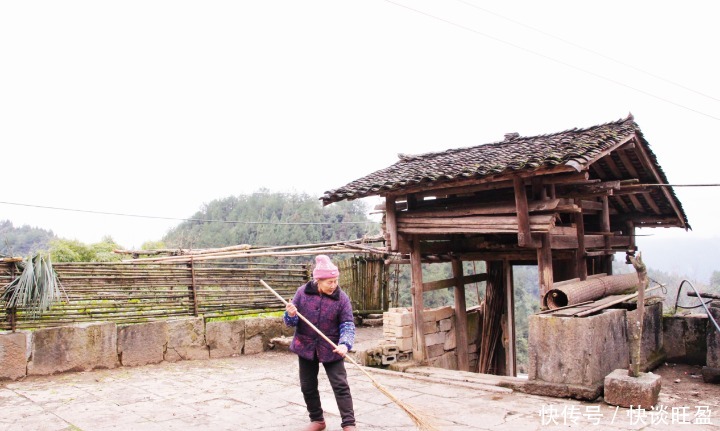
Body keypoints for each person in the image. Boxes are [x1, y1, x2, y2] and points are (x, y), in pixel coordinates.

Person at [284, 254, 357, 431]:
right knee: (308, 385)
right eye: (329, 282)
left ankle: (349, 423)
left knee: (340, 385)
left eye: (335, 281)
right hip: (306, 346)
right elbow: (290, 323)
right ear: (318, 281)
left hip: (331, 347)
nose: (333, 285)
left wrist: (344, 344)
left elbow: (347, 324)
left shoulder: (342, 298)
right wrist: (291, 314)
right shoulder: (302, 293)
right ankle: (317, 420)